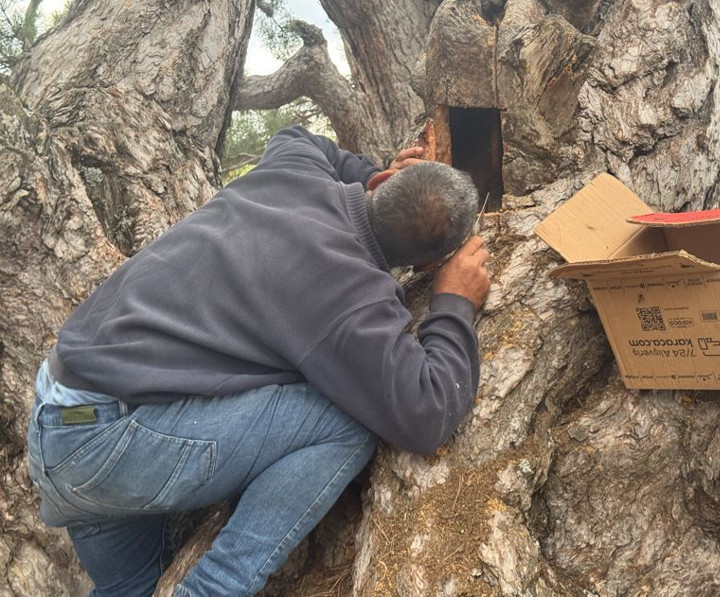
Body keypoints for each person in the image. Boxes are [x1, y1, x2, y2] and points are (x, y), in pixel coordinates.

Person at [26, 126, 489, 596]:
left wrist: (377, 170)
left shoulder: (292, 171)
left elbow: (297, 135)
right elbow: (426, 411)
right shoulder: (354, 301)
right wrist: (454, 303)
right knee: (345, 424)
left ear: (377, 184)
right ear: (427, 265)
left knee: (134, 587)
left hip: (54, 414)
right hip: (110, 447)